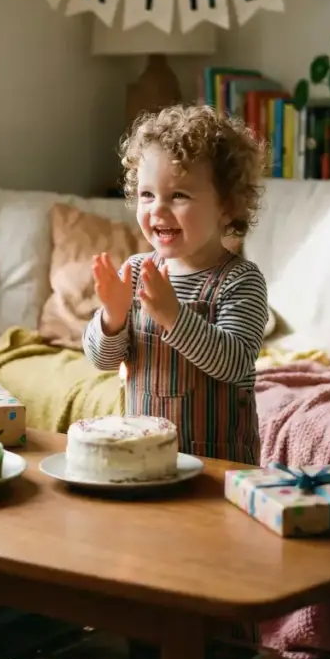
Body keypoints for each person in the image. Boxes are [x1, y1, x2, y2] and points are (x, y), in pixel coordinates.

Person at [83, 103, 268, 465]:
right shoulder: (136, 272)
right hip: (144, 457)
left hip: (220, 464)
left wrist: (172, 315)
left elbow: (235, 363)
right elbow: (101, 360)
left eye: (179, 195)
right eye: (147, 195)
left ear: (228, 206)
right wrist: (113, 316)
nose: (157, 210)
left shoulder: (240, 281)